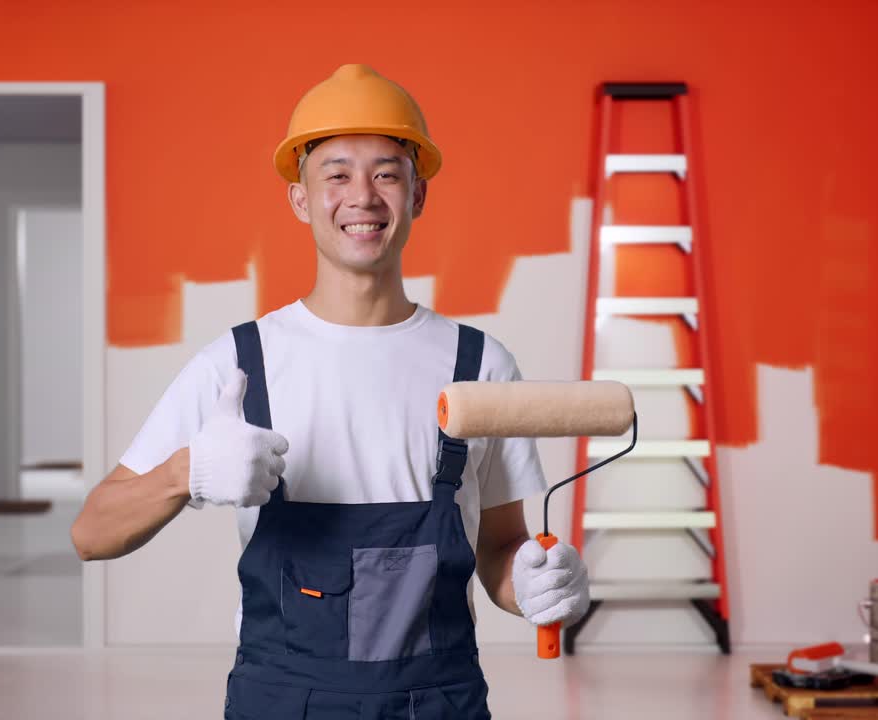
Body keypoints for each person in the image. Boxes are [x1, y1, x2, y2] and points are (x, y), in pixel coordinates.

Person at [70, 64, 591, 719]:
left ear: (418, 194)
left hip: (438, 703)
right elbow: (91, 533)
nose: (362, 197)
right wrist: (187, 472)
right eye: (337, 174)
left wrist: (536, 584)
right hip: (282, 702)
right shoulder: (239, 365)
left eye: (387, 174)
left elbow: (499, 548)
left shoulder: (480, 365)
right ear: (300, 199)